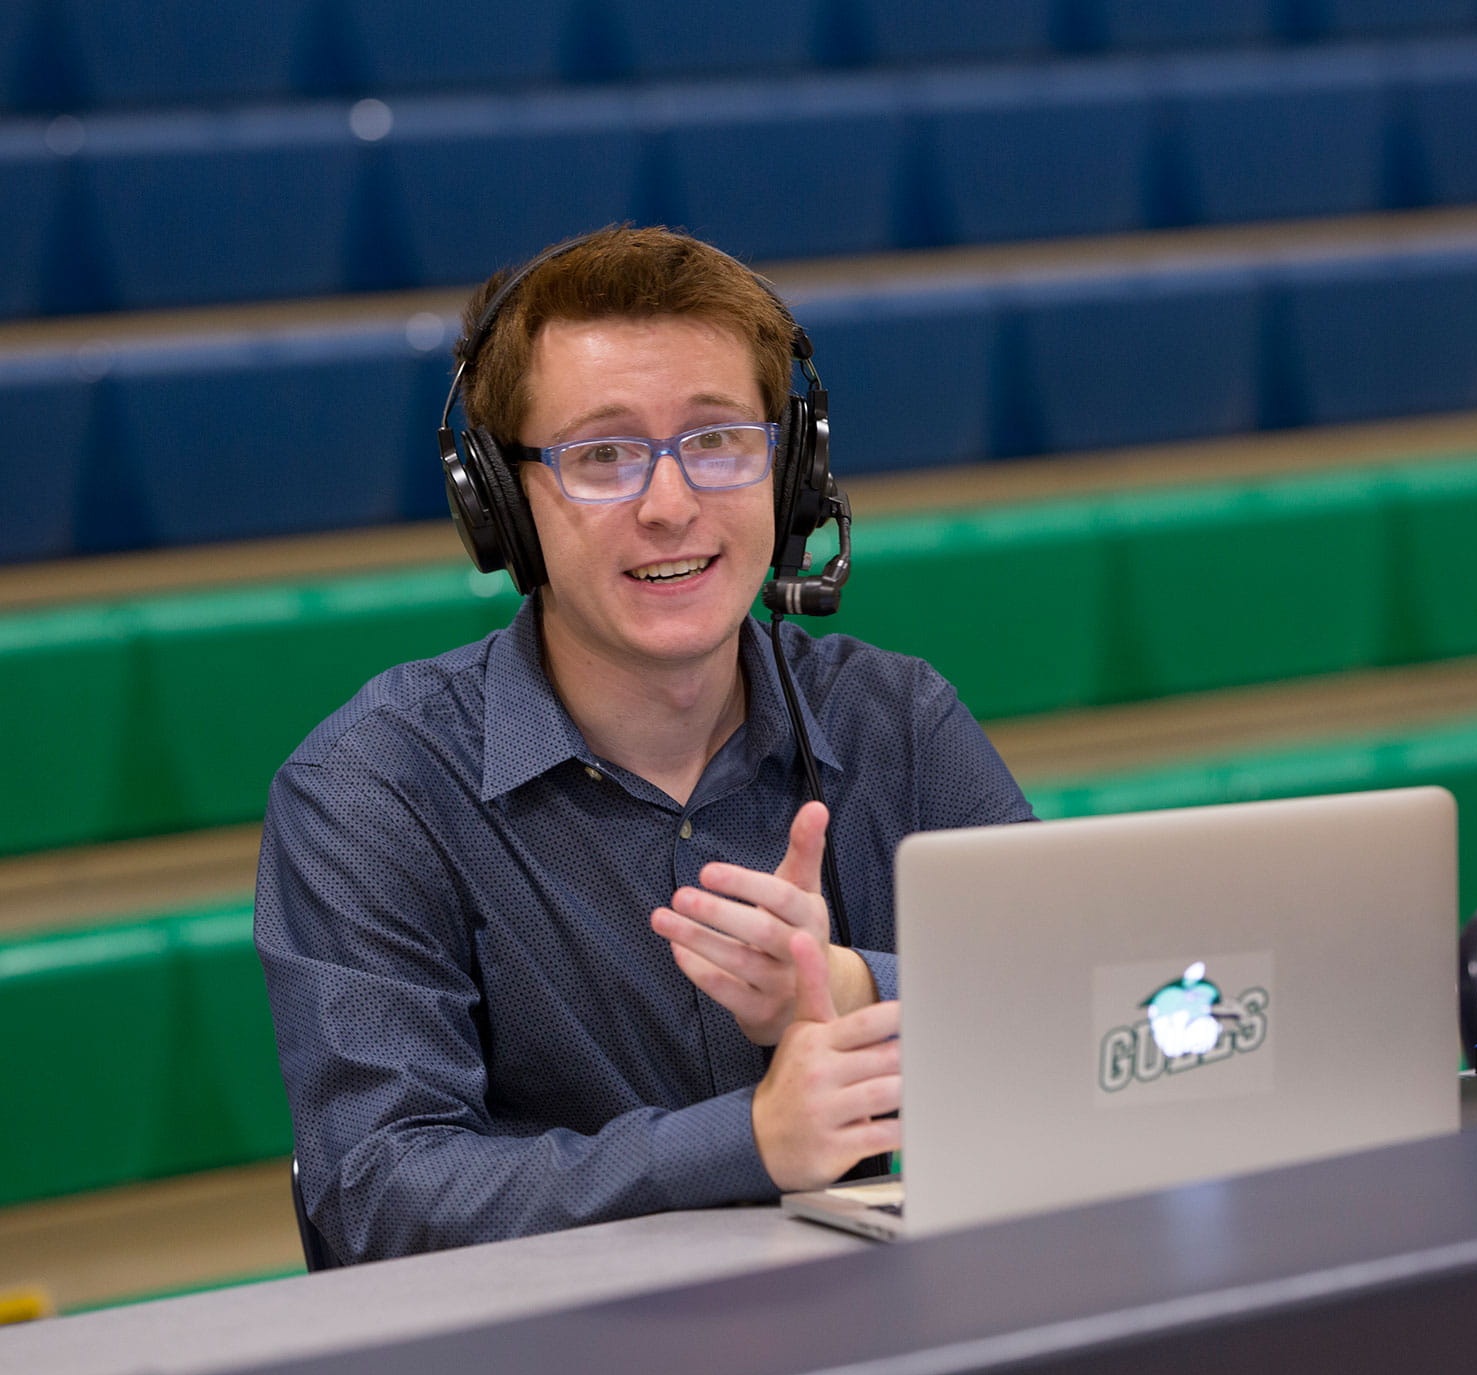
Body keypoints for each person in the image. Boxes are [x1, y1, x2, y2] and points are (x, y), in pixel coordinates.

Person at [254, 225, 1033, 1264]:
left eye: (714, 441)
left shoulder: (895, 722)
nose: (669, 507)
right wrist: (747, 1142)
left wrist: (852, 988)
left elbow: (1071, 1019)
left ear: (790, 470)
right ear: (500, 507)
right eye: (603, 455)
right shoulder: (370, 791)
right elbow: (381, 1192)